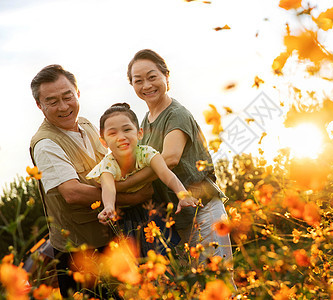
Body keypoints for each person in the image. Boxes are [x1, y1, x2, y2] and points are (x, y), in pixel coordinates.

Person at [29, 65, 153, 298]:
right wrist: (133, 197)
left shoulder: (86, 124)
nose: (64, 106)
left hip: (112, 240)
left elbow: (112, 164)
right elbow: (72, 193)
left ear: (77, 93)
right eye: (52, 101)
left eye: (67, 96)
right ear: (40, 105)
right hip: (80, 253)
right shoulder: (45, 143)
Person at [122, 49, 234, 269]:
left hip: (202, 209)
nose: (146, 85)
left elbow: (170, 159)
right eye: (138, 81)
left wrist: (125, 185)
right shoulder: (145, 121)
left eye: (152, 77)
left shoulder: (176, 113)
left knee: (217, 281)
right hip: (179, 217)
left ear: (166, 76)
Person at [86, 102, 199, 256]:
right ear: (103, 141)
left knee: (165, 251)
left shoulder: (146, 153)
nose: (121, 137)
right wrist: (109, 207)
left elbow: (165, 173)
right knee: (136, 258)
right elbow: (108, 187)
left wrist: (182, 194)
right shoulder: (108, 164)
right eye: (112, 133)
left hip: (152, 207)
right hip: (126, 214)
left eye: (127, 130)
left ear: (139, 133)